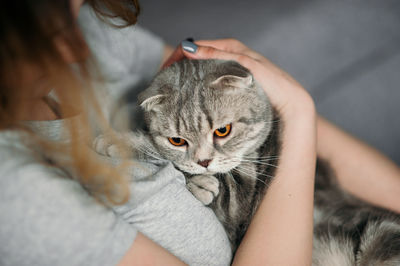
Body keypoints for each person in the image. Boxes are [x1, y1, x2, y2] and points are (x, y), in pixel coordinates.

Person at [1, 1, 399, 266]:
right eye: (55, 38)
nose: (83, 46)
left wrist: (294, 110)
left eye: (82, 10)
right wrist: (298, 111)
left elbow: (219, 79)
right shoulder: (16, 197)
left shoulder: (93, 33)